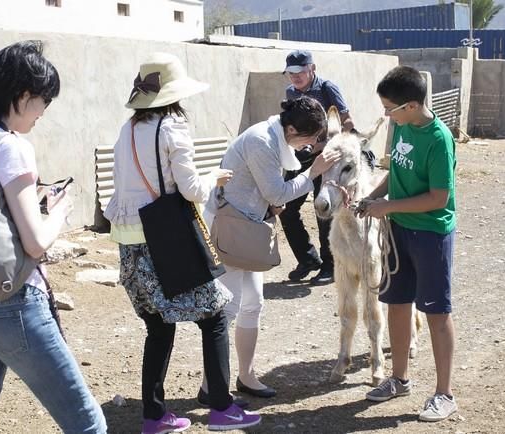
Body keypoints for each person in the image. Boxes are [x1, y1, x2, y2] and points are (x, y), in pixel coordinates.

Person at [0, 41, 107, 434]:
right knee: (89, 425)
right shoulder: (14, 147)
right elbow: (35, 243)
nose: (43, 112)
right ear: (22, 96)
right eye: (43, 101)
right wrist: (62, 211)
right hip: (16, 305)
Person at [104, 52, 261, 434]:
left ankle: (154, 416)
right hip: (168, 241)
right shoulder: (172, 127)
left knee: (158, 328)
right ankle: (222, 409)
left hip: (130, 244)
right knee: (215, 318)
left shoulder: (127, 128)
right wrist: (214, 177)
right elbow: (190, 190)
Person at [203, 96, 341, 399]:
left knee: (252, 304)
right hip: (231, 229)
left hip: (248, 227)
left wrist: (270, 204)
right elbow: (277, 193)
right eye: (311, 137)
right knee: (228, 307)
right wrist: (312, 173)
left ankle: (246, 376)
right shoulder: (262, 142)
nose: (311, 145)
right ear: (291, 129)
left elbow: (268, 195)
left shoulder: (274, 139)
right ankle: (211, 386)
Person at [359, 65, 457, 422]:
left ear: (412, 105)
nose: (387, 115)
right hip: (399, 232)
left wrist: (389, 207)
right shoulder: (402, 126)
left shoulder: (438, 139)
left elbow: (438, 197)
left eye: (391, 108)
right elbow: (396, 172)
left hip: (431, 235)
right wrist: (372, 198)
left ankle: (444, 393)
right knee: (397, 303)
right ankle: (399, 379)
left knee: (436, 312)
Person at [281, 49, 361, 285]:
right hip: (302, 156)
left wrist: (325, 145)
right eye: (290, 72)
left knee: (323, 208)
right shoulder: (291, 93)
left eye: (300, 71)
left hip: (327, 156)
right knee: (286, 206)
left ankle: (329, 265)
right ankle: (308, 259)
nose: (295, 76)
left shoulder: (327, 88)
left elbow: (347, 122)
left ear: (312, 69)